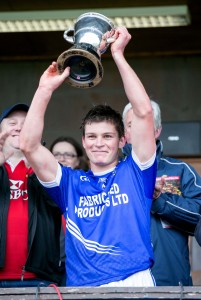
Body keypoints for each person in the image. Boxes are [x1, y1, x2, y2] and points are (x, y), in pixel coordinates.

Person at [20, 26, 157, 287]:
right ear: (83, 142)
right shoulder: (69, 184)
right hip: (83, 287)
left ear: (122, 141)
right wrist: (44, 90)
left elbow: (143, 113)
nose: (99, 143)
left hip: (134, 282)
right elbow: (29, 145)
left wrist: (118, 55)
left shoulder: (136, 173)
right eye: (92, 137)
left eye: (107, 136)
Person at [122, 100, 201, 286]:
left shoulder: (181, 170)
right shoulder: (111, 173)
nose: (138, 131)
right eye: (132, 125)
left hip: (172, 285)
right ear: (125, 133)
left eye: (145, 124)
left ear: (157, 131)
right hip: (123, 286)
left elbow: (199, 217)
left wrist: (160, 200)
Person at [0, 103, 64, 287]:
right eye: (12, 123)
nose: (19, 127)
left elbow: (59, 205)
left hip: (39, 279)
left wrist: (36, 164)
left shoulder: (50, 170)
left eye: (27, 123)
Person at [50, 136, 89, 286]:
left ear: (78, 160)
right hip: (48, 267)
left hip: (81, 266)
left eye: (68, 155)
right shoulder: (38, 187)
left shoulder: (89, 188)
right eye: (57, 154)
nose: (62, 159)